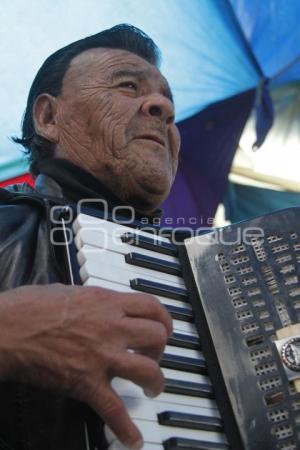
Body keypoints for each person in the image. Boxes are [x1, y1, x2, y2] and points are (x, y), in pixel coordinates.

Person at [0, 24, 180, 450]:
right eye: (127, 86)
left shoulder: (206, 265)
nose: (162, 107)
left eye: (169, 102)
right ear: (49, 117)